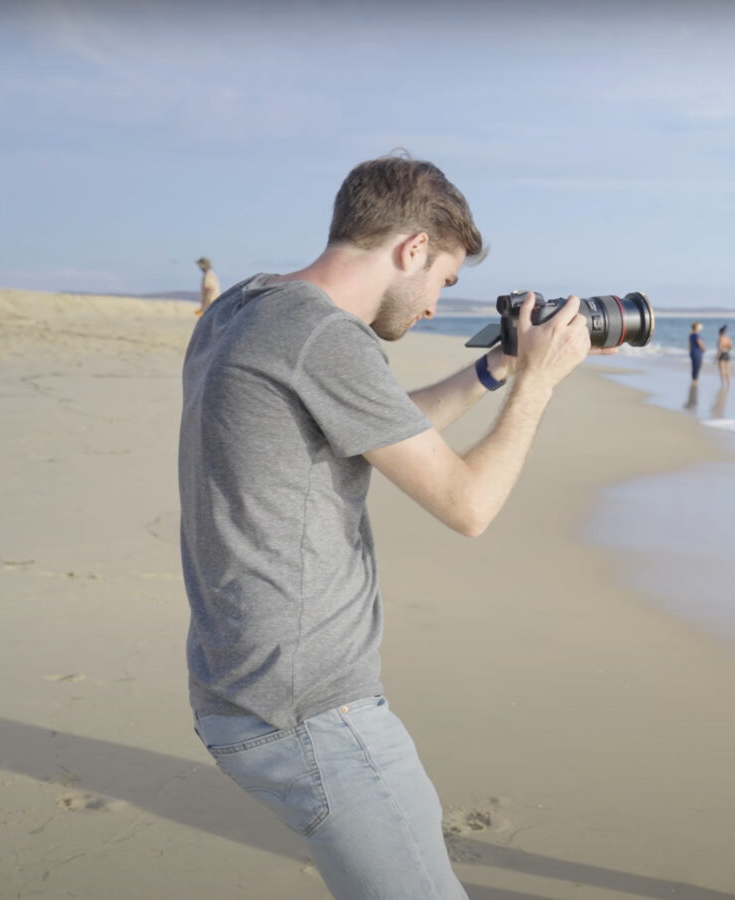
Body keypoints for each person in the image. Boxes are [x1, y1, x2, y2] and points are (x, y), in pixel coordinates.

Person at [177, 153, 598, 899]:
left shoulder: (243, 307)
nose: (436, 305)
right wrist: (538, 383)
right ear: (411, 248)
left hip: (243, 691)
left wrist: (496, 367)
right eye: (443, 279)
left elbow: (380, 430)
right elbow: (469, 507)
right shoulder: (322, 339)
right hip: (311, 712)